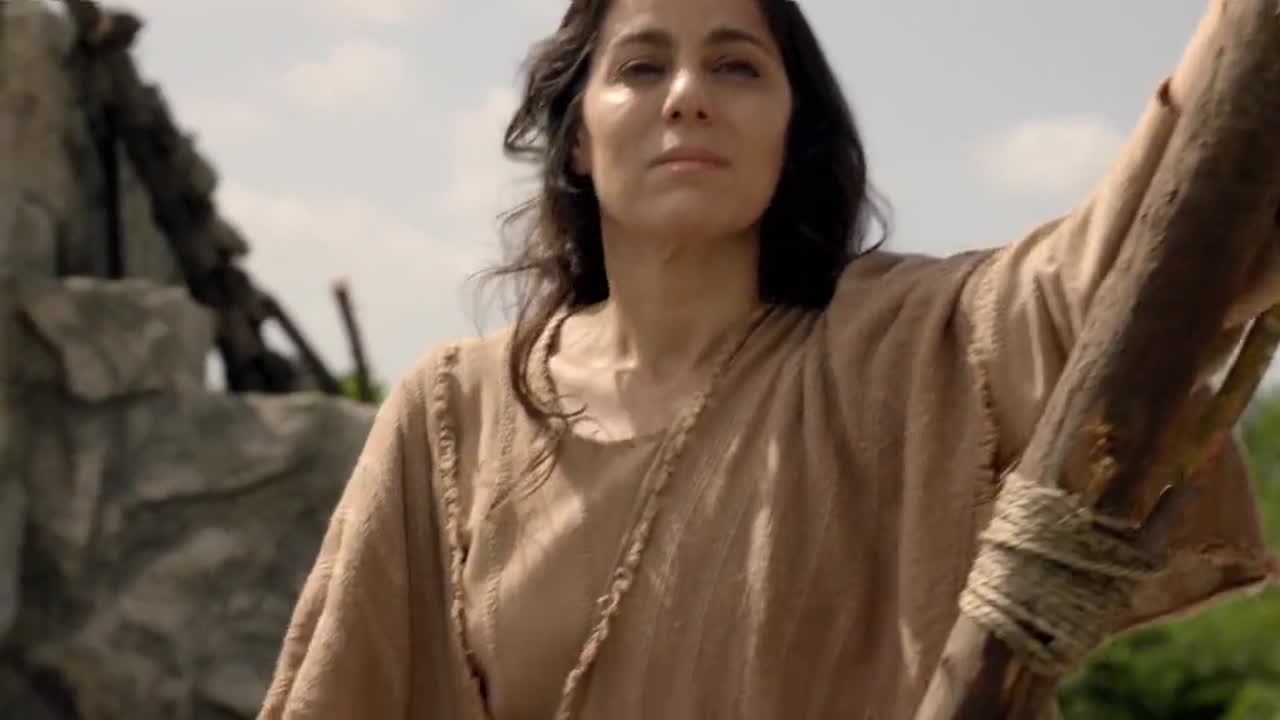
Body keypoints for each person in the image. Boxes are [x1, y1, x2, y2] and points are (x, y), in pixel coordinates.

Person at [259, 0, 1280, 718]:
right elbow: (339, 692)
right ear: (575, 139)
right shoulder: (452, 411)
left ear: (792, 133)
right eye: (641, 66)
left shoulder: (909, 348)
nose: (687, 96)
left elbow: (1131, 260)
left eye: (737, 65)